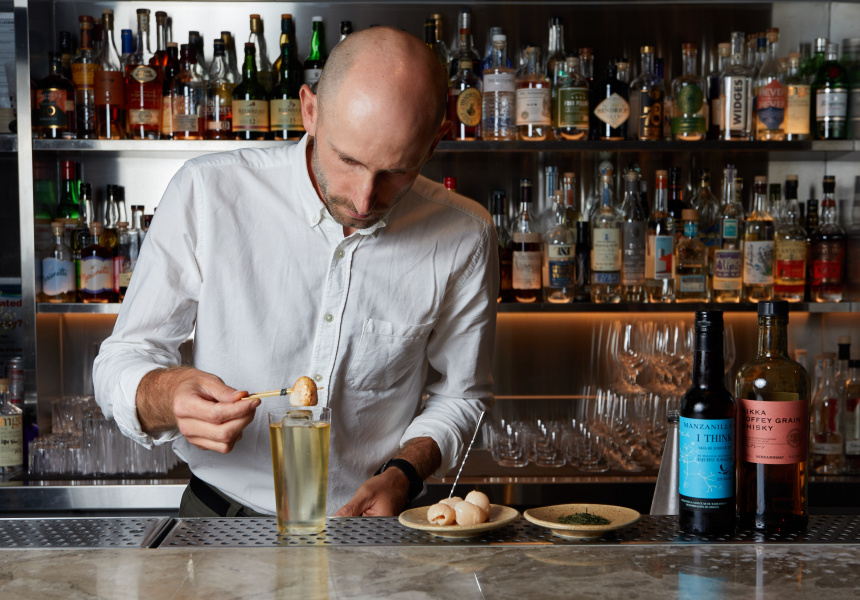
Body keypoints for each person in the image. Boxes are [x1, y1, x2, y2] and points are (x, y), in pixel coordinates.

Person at [93, 26, 498, 517]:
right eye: (348, 160)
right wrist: (168, 394)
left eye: (396, 172)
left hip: (369, 527)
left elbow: (461, 395)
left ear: (434, 144)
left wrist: (405, 473)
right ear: (310, 111)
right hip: (220, 517)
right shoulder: (207, 192)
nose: (363, 199)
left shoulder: (465, 233)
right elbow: (123, 359)